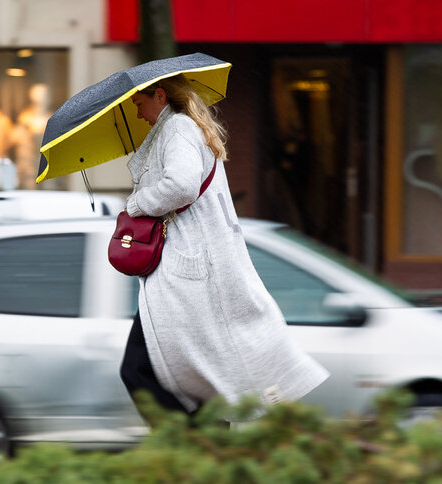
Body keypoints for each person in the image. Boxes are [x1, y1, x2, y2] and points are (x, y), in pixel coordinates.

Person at [119, 74, 329, 424]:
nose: (139, 114)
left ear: (159, 95)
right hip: (192, 270)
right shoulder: (182, 129)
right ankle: (206, 454)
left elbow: (181, 186)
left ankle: (188, 455)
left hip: (187, 273)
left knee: (138, 369)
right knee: (198, 377)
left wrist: (136, 203)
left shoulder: (178, 129)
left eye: (139, 104)